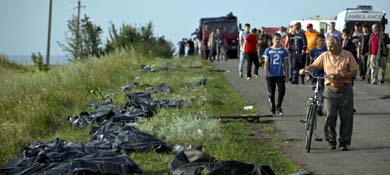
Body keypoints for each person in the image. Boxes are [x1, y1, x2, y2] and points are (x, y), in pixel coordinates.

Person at [300, 36, 358, 151]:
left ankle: (344, 142)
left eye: (331, 46)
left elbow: (355, 71)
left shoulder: (348, 55)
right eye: (327, 46)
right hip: (330, 89)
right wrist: (306, 69)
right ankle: (331, 140)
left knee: (346, 117)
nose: (329, 48)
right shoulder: (324, 55)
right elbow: (315, 65)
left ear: (338, 45)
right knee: (330, 115)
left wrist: (342, 76)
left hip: (345, 89)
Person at [263, 33, 289, 116]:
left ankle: (279, 106)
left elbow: (285, 63)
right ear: (272, 40)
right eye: (276, 39)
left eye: (279, 39)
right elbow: (266, 62)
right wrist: (266, 72)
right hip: (271, 74)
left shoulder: (283, 50)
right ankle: (272, 105)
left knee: (282, 90)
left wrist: (287, 74)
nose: (277, 41)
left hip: (280, 74)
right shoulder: (268, 50)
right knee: (272, 92)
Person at [309, 34, 327, 116]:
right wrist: (308, 72)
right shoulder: (313, 51)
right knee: (315, 88)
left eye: (323, 41)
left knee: (321, 90)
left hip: (323, 73)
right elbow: (310, 62)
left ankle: (320, 105)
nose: (322, 42)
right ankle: (317, 100)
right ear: (317, 41)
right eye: (320, 40)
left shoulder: (327, 50)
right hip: (315, 73)